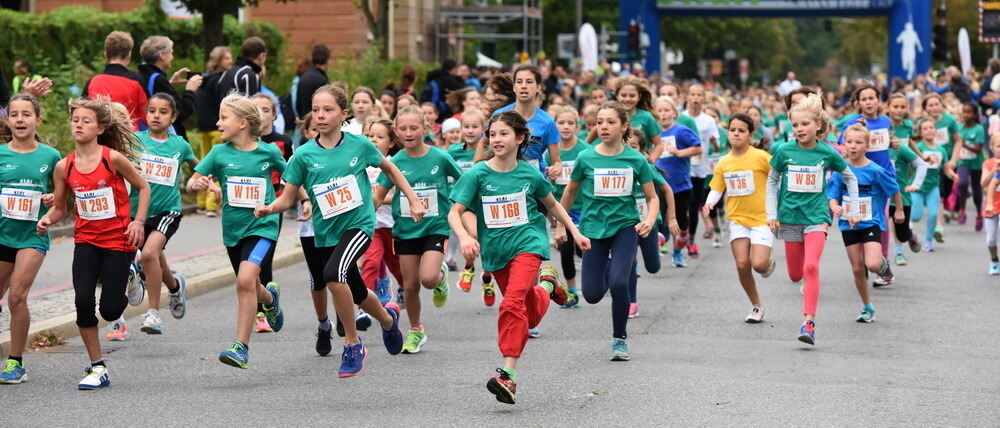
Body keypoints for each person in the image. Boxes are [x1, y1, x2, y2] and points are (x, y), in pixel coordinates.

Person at [255, 84, 415, 377]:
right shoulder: (303, 155)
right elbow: (288, 197)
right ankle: (388, 319)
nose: (320, 115)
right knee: (354, 289)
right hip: (326, 231)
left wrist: (413, 198)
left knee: (332, 276)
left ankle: (353, 343)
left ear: (344, 114)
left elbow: (390, 170)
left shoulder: (359, 145)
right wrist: (270, 208)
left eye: (328, 110)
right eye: (316, 110)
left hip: (359, 224)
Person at [448, 110, 587, 405]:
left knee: (511, 305)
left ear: (520, 138)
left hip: (528, 244)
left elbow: (552, 204)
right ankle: (549, 286)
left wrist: (574, 232)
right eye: (493, 134)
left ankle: (507, 375)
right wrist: (464, 237)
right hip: (496, 253)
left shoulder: (529, 173)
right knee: (527, 313)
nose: (496, 139)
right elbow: (455, 212)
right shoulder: (477, 174)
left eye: (503, 134)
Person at [36, 98, 151, 389]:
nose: (78, 124)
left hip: (117, 240)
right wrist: (48, 218)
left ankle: (130, 275)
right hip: (85, 241)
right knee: (83, 302)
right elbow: (60, 207)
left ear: (100, 128)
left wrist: (137, 222)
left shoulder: (112, 159)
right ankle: (97, 367)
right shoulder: (64, 166)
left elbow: (143, 186)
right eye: (75, 119)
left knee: (111, 310)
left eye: (86, 120)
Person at [186, 94, 285, 369]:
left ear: (242, 123)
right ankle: (270, 299)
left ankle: (240, 346)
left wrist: (299, 201)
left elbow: (291, 178)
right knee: (252, 285)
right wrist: (199, 184)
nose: (217, 123)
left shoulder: (269, 152)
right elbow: (192, 182)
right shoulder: (218, 153)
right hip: (233, 231)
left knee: (244, 281)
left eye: (223, 118)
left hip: (263, 226)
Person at [558, 101, 659, 361]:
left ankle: (619, 340)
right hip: (592, 229)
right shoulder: (586, 157)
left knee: (618, 283)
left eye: (610, 122)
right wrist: (561, 224)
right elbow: (569, 191)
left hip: (625, 227)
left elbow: (652, 196)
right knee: (591, 295)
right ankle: (608, 265)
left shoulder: (635, 158)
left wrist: (648, 219)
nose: (603, 126)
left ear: (624, 126)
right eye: (599, 122)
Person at [765, 92, 860, 346]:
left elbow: (849, 177)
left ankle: (809, 322)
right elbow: (772, 180)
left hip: (817, 217)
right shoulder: (784, 150)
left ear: (818, 125)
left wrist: (853, 208)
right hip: (789, 217)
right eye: (795, 125)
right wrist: (771, 213)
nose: (799, 129)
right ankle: (799, 281)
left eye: (804, 124)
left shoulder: (827, 153)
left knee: (810, 267)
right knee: (796, 274)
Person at [373, 105, 462, 354]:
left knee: (428, 279)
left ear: (426, 128)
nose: (409, 133)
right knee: (410, 286)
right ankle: (415, 329)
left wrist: (460, 209)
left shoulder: (440, 158)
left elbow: (464, 183)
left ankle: (440, 277)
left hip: (435, 227)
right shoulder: (394, 162)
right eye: (403, 128)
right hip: (405, 230)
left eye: (414, 128)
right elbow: (378, 196)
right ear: (396, 132)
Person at [0, 95, 62, 384]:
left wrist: (51, 202)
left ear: (38, 120)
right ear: (8, 120)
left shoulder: (50, 156)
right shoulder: (1, 154)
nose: (20, 119)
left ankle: (16, 362)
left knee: (17, 296)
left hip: (32, 235)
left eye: (27, 114)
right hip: (2, 234)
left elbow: (62, 200)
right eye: (15, 115)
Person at [131, 94, 197, 335]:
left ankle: (153, 314)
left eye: (163, 112)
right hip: (137, 211)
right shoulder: (134, 141)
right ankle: (175, 285)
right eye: (152, 111)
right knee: (154, 258)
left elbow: (198, 167)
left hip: (168, 211)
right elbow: (119, 166)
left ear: (173, 117)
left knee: (149, 253)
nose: (156, 116)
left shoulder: (180, 145)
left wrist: (205, 181)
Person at [702, 113, 775, 323]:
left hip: (762, 218)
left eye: (741, 130)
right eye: (732, 129)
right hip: (737, 219)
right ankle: (756, 306)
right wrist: (709, 203)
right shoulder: (724, 162)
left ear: (750, 134)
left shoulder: (761, 157)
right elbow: (717, 187)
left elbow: (777, 177)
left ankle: (768, 263)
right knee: (742, 264)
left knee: (758, 265)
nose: (736, 134)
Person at [827, 124, 900, 323]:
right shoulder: (840, 172)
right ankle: (867, 306)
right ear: (843, 145)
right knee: (858, 269)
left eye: (858, 142)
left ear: (867, 146)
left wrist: (899, 210)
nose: (853, 146)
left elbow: (894, 189)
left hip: (871, 223)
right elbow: (832, 195)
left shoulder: (875, 171)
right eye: (849, 142)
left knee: (873, 264)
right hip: (848, 225)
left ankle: (882, 263)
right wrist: (835, 206)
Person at [478, 66, 561, 179]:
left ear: (538, 87)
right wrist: (477, 167)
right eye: (519, 81)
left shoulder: (547, 121)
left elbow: (556, 161)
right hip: (503, 176)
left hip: (534, 179)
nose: (523, 86)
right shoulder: (500, 115)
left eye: (529, 82)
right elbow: (483, 143)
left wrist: (556, 168)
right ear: (514, 87)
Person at [546, 106, 590, 307]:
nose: (565, 127)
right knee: (565, 250)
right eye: (561, 123)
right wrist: (550, 215)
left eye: (570, 123)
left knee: (583, 250)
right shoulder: (550, 153)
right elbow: (544, 186)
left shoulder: (584, 150)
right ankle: (572, 291)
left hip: (583, 207)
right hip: (560, 209)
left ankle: (598, 272)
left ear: (577, 126)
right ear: (555, 127)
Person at [654, 96, 702, 266]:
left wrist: (679, 153)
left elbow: (698, 148)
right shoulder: (654, 134)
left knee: (682, 222)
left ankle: (677, 252)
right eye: (659, 111)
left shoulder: (681, 131)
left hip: (681, 185)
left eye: (666, 110)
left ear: (674, 113)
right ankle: (662, 238)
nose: (663, 114)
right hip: (659, 184)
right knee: (657, 218)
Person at [361, 118, 404, 305]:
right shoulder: (360, 164)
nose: (373, 140)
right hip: (372, 225)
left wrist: (376, 199)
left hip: (393, 225)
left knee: (397, 265)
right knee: (370, 262)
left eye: (379, 136)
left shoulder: (394, 164)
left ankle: (404, 287)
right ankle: (365, 304)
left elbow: (400, 197)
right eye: (370, 136)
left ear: (391, 142)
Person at [886, 94, 928, 266]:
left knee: (901, 226)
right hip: (887, 168)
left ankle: (908, 236)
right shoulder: (884, 124)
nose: (899, 110)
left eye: (903, 107)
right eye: (895, 107)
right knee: (884, 224)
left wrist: (920, 155)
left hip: (903, 167)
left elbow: (908, 142)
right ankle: (897, 253)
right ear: (888, 107)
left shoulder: (908, 125)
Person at [137, 35, 203, 140]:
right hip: (165, 139)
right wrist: (190, 90)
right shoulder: (158, 80)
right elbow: (181, 111)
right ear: (162, 55)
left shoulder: (141, 75)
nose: (172, 57)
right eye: (171, 52)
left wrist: (169, 84)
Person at [194, 46, 233, 217]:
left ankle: (201, 203)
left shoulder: (204, 78)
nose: (230, 61)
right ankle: (212, 205)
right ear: (218, 61)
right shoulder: (221, 80)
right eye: (226, 58)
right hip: (217, 128)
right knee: (216, 165)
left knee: (202, 163)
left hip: (202, 126)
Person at [82, 31, 147, 130]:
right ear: (129, 55)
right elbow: (146, 116)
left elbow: (83, 113)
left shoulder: (92, 82)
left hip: (100, 139)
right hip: (129, 139)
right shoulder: (137, 81)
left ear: (105, 55)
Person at [683, 84, 719, 258]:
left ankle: (690, 240)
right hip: (682, 167)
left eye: (699, 95)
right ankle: (679, 236)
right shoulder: (680, 118)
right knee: (681, 205)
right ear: (687, 97)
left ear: (703, 99)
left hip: (700, 168)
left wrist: (713, 142)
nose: (696, 98)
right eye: (692, 95)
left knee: (693, 205)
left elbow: (717, 145)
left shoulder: (708, 120)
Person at [911, 118, 957, 252]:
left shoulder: (941, 150)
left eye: (931, 127)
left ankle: (928, 240)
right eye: (925, 128)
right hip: (917, 187)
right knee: (915, 216)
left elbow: (946, 168)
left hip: (933, 187)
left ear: (936, 131)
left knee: (933, 214)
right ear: (921, 132)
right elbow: (910, 163)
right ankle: (910, 231)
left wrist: (953, 175)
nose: (929, 130)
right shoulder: (918, 147)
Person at [952, 103, 986, 231]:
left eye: (969, 112)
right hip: (963, 162)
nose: (966, 115)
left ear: (975, 114)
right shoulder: (959, 128)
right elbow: (955, 143)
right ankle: (962, 210)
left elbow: (977, 149)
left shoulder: (979, 129)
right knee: (962, 183)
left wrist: (963, 144)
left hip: (976, 163)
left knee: (977, 189)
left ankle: (979, 214)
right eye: (964, 112)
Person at [980, 134, 1000, 274]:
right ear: (992, 148)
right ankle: (994, 260)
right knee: (991, 240)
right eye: (998, 146)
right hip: (991, 204)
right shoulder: (988, 164)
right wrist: (994, 171)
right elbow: (984, 184)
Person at [295, 44, 330, 120]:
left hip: (305, 122)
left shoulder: (304, 76)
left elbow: (298, 105)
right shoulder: (321, 79)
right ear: (327, 60)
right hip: (318, 121)